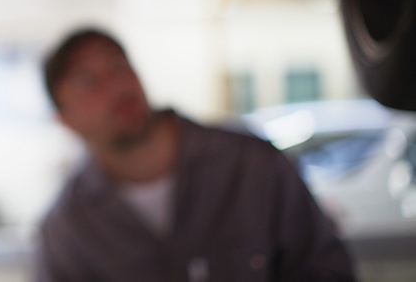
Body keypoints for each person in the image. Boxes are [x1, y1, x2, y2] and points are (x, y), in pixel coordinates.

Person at [34, 28, 355, 281]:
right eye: (87, 81)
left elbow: (326, 268)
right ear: (65, 120)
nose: (117, 85)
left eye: (119, 64)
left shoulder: (252, 167)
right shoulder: (69, 228)